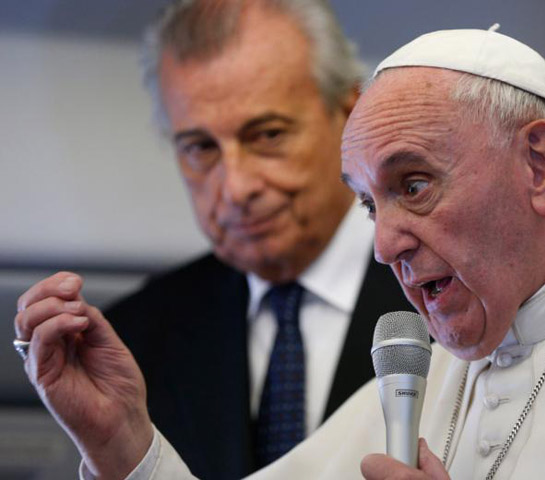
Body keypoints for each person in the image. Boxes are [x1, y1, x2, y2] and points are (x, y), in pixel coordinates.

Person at [14, 25, 545, 480]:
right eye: (368, 201)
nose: (384, 242)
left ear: (541, 166)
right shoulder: (417, 383)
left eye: (413, 184)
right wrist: (124, 448)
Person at [16, 1, 412, 479]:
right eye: (201, 148)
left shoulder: (451, 297)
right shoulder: (135, 341)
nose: (237, 187)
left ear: (350, 114)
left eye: (267, 134)